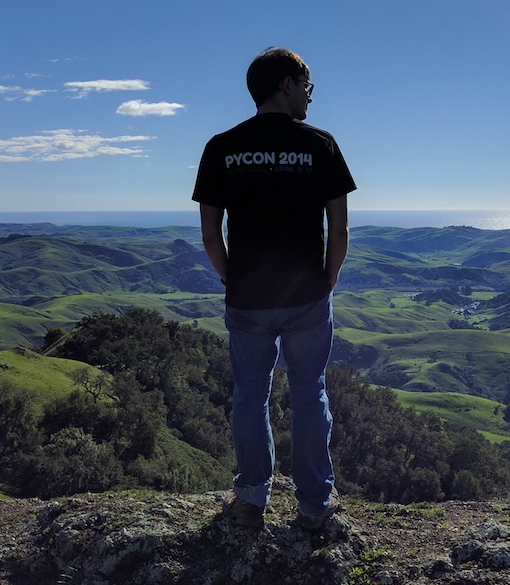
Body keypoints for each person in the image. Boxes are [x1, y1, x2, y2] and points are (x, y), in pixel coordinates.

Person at [192, 47, 355, 530]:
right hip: (305, 296)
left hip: (246, 298)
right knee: (309, 395)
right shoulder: (320, 145)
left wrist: (229, 277)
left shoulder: (222, 146)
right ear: (286, 85)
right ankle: (313, 505)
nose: (310, 96)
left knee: (249, 396)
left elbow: (209, 233)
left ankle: (250, 499)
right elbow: (340, 230)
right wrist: (327, 279)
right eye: (307, 86)